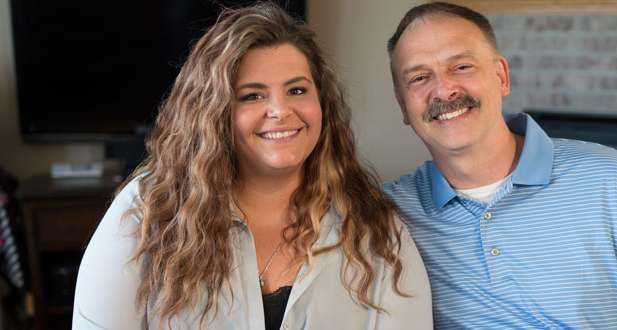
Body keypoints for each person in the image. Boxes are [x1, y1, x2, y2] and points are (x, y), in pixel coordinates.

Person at [72, 3, 432, 329]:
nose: (280, 110)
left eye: (297, 90)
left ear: (322, 102)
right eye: (252, 96)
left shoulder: (378, 229)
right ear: (214, 113)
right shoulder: (145, 212)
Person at [381, 2, 617, 329]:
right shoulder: (387, 213)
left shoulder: (613, 181)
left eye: (461, 66)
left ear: (501, 76)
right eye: (419, 78)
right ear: (402, 105)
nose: (444, 89)